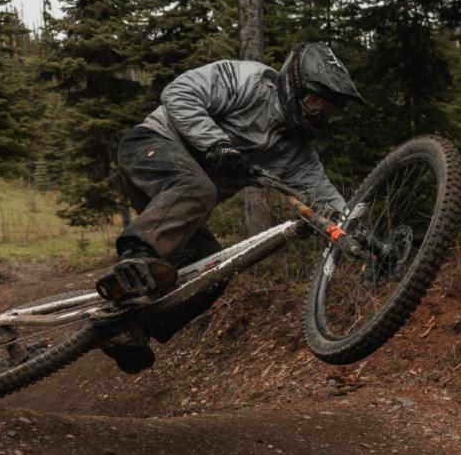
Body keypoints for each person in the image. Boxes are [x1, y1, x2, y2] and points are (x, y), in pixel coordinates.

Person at [97, 42, 363, 373]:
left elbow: (324, 194)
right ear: (295, 85)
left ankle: (131, 330)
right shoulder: (248, 81)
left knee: (215, 270)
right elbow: (179, 93)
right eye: (314, 101)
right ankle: (133, 260)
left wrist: (360, 235)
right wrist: (218, 145)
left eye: (328, 109)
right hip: (149, 148)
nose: (317, 113)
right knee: (198, 188)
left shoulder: (297, 153)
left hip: (173, 204)